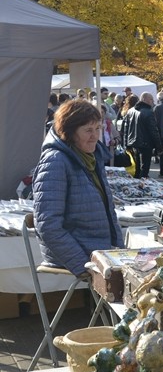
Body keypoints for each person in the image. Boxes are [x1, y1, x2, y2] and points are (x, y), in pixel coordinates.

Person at [33, 99, 125, 277]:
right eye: (88, 130)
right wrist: (82, 265)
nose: (95, 136)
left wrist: (119, 250)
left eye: (97, 128)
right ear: (70, 132)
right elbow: (48, 225)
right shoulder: (55, 161)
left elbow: (108, 209)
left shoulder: (91, 156)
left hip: (96, 250)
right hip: (78, 255)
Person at [120, 92, 161, 179]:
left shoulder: (131, 111)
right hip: (145, 143)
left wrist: (126, 144)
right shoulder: (148, 112)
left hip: (134, 143)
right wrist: (159, 146)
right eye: (151, 99)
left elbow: (126, 130)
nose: (152, 101)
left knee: (137, 168)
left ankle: (137, 186)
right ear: (144, 99)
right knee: (144, 169)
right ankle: (143, 187)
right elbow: (153, 131)